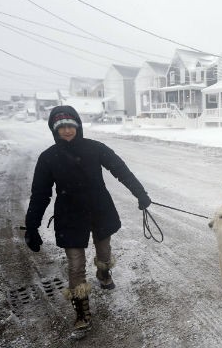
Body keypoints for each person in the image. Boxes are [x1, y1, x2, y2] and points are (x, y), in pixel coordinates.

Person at [24, 105, 151, 333]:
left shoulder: (95, 148)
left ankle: (103, 273)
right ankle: (82, 312)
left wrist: (140, 193)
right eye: (61, 127)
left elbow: (120, 170)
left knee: (104, 252)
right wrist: (32, 225)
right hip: (69, 215)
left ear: (78, 126)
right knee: (75, 265)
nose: (66, 131)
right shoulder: (48, 158)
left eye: (70, 126)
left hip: (99, 209)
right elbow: (41, 193)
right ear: (54, 130)